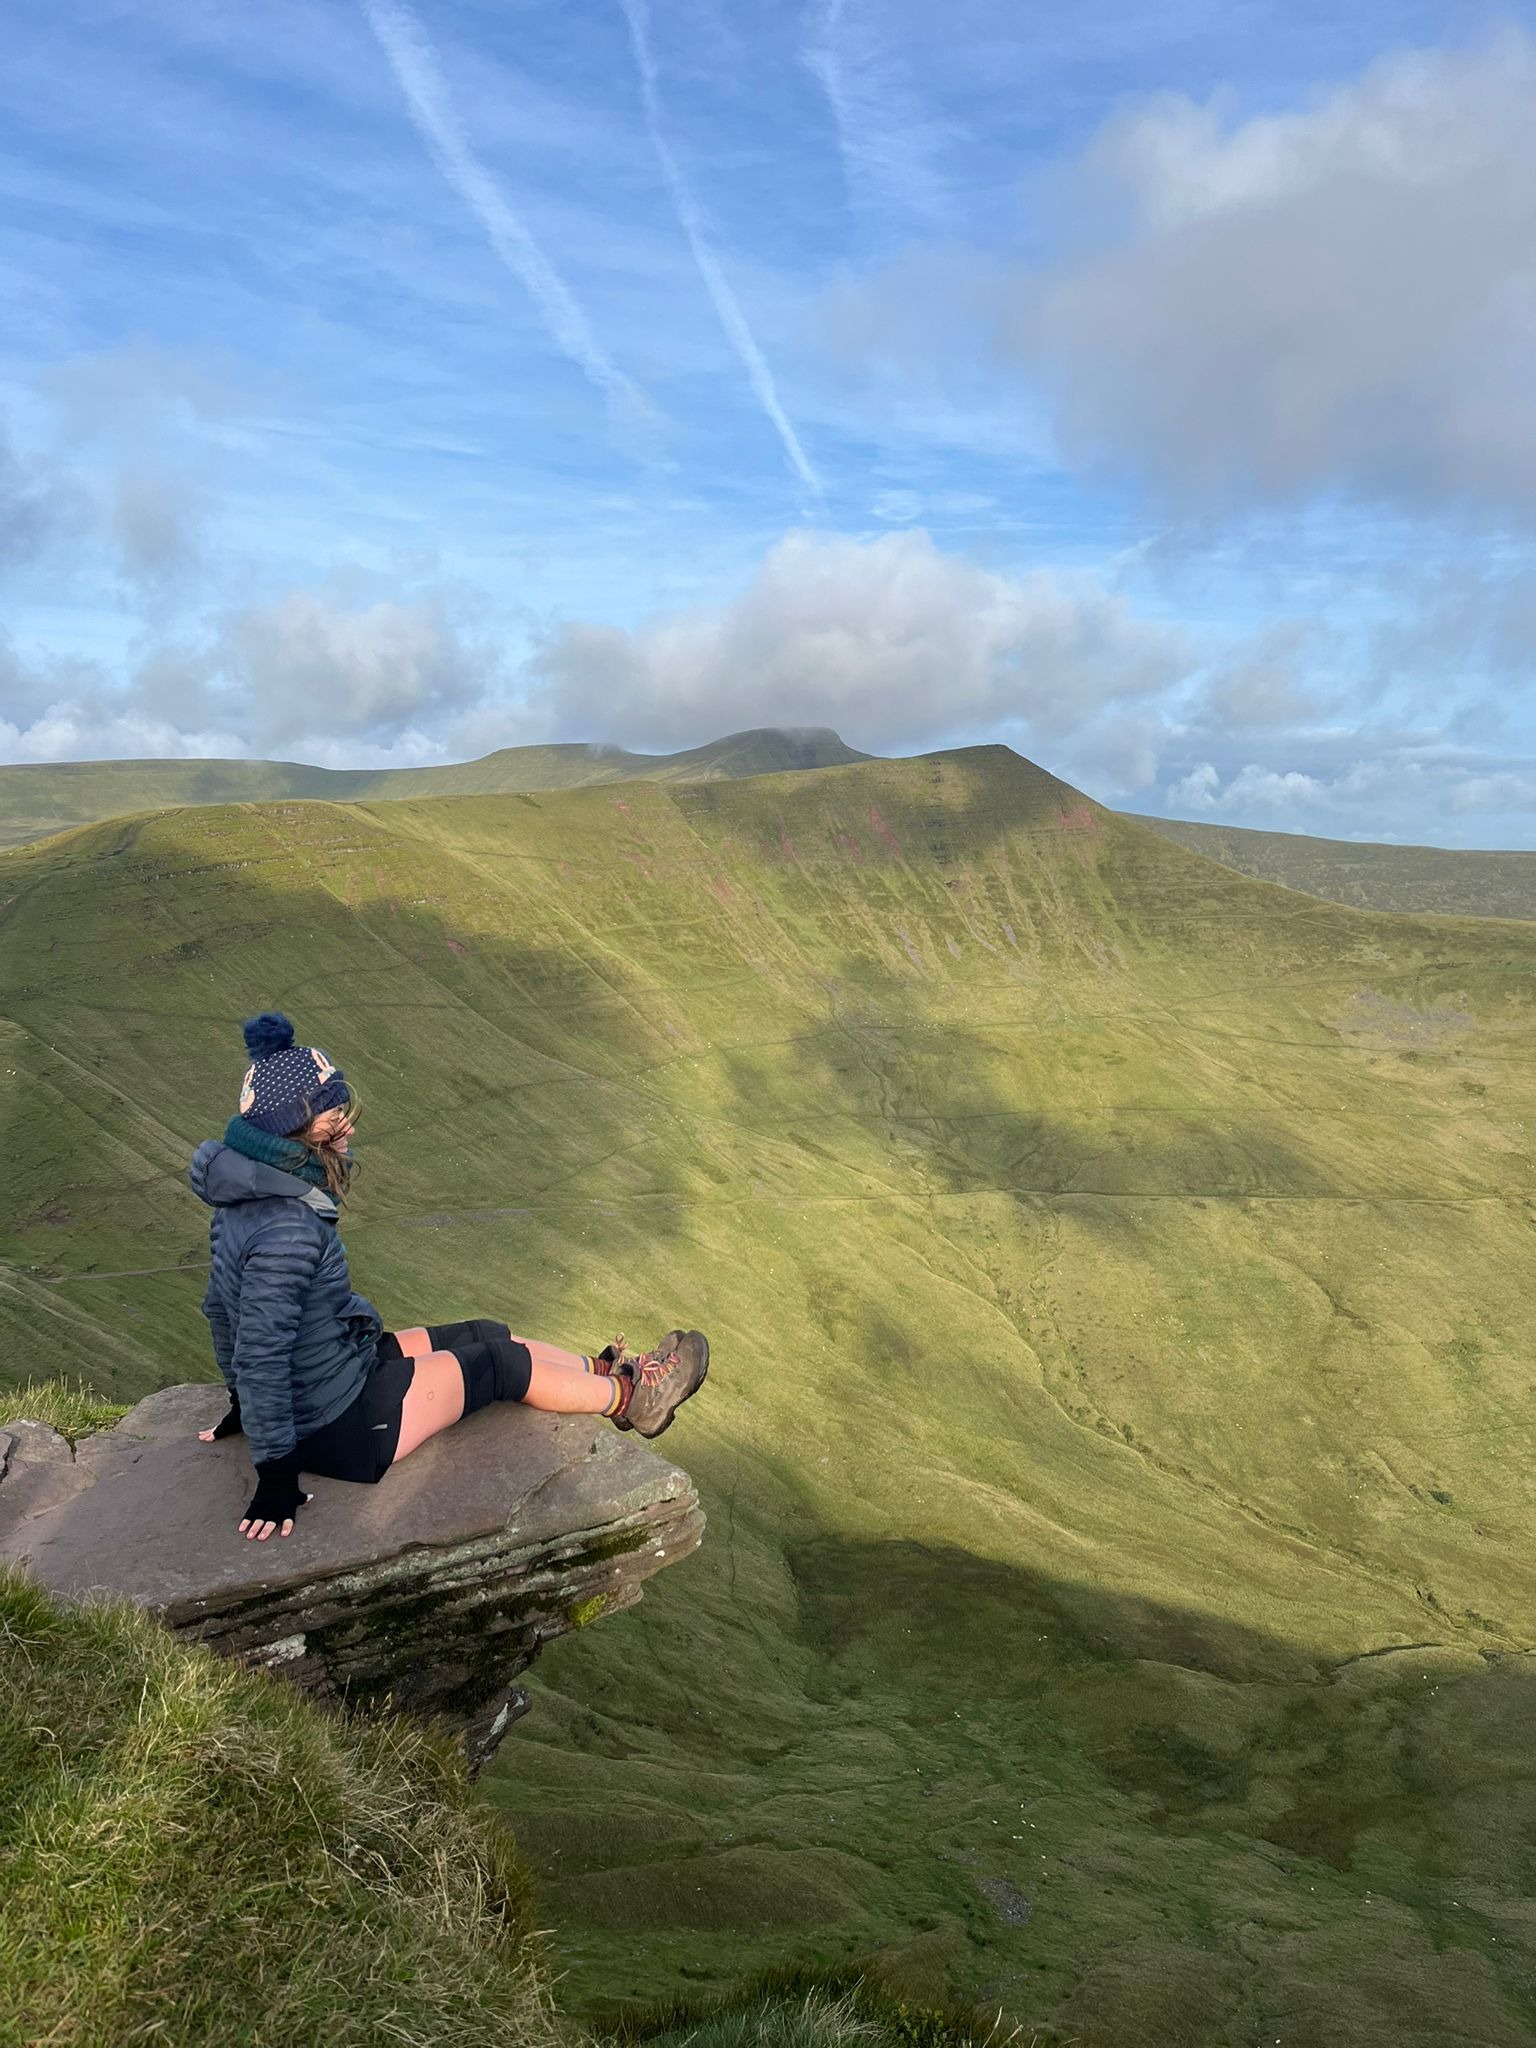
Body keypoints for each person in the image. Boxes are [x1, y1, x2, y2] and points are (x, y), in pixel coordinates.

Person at [189, 1011, 708, 1543]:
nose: (347, 1128)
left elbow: (220, 1310)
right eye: (332, 1117)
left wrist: (243, 1406)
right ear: (291, 1132)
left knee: (486, 1331)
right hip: (337, 1423)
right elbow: (260, 1352)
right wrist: (275, 1472)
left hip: (336, 1369)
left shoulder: (246, 1200)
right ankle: (633, 1399)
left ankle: (603, 1371)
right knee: (500, 1364)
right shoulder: (287, 1228)